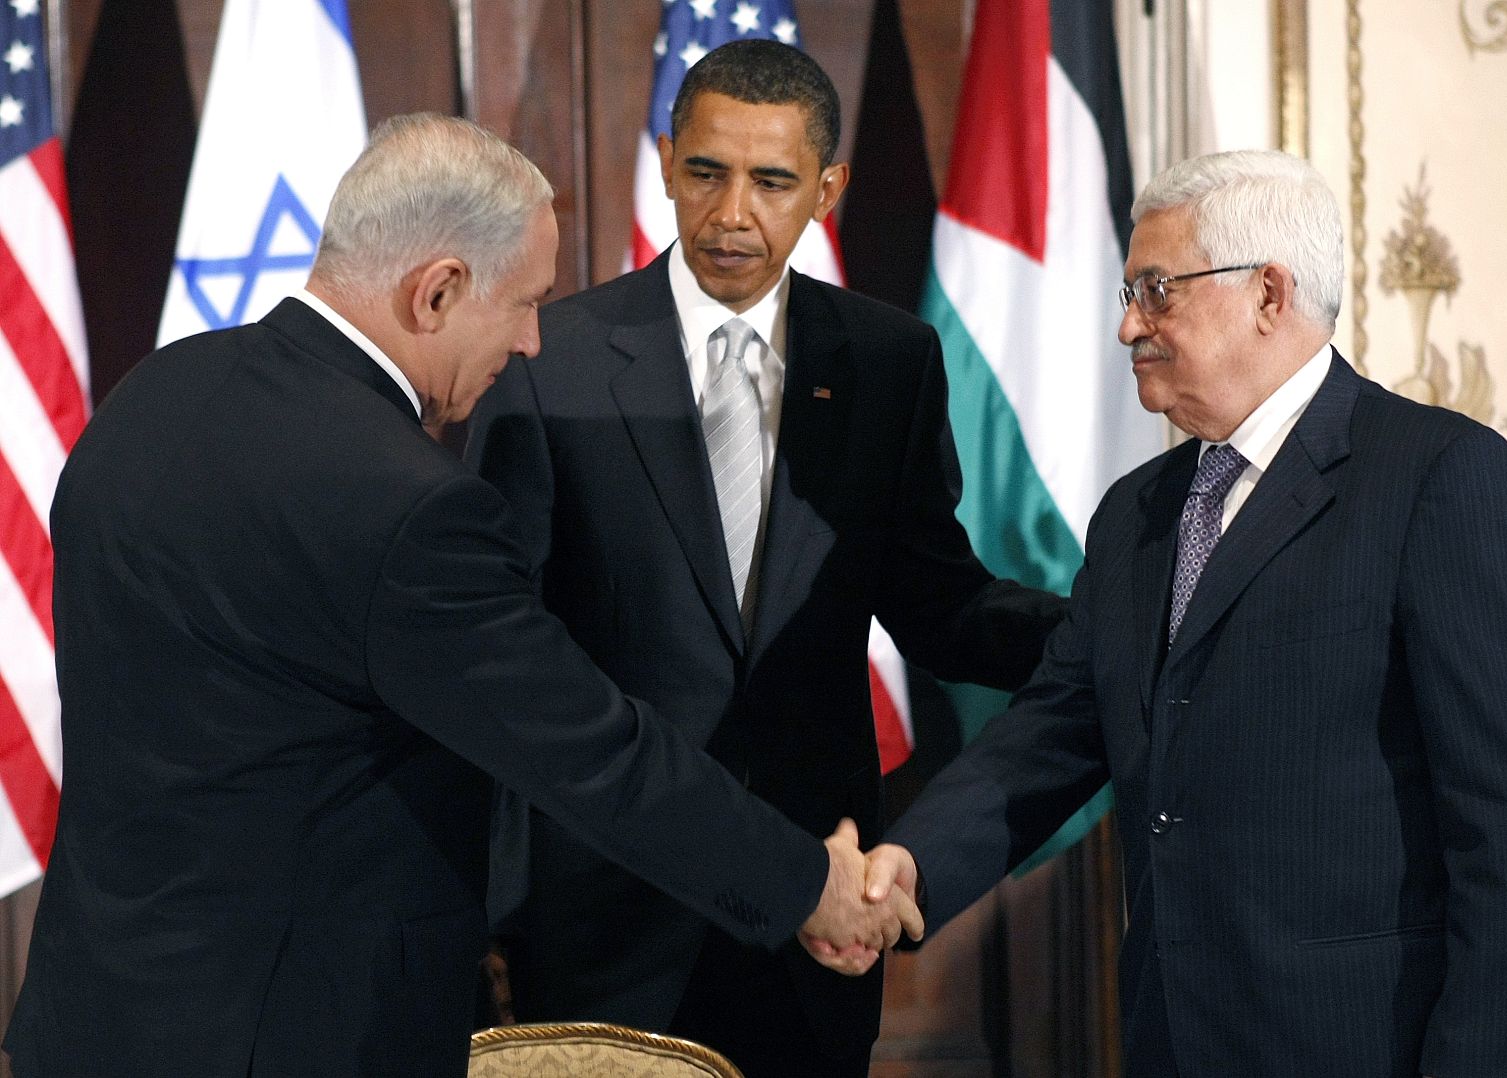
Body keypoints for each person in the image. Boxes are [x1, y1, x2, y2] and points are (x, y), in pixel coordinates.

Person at [3, 113, 920, 1078]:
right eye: (524, 303)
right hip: (293, 1039)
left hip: (89, 1024)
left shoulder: (149, 397)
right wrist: (806, 883)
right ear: (436, 290)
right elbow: (591, 752)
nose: (531, 341)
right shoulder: (408, 508)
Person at [863, 149, 1507, 1077]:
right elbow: (1054, 731)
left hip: (1372, 1048)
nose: (1128, 324)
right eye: (1129, 292)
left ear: (1269, 294)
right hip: (1178, 1041)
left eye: (1157, 291)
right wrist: (912, 866)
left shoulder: (1438, 477)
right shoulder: (1136, 514)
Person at [466, 40, 1065, 1078]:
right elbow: (500, 656)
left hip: (812, 908)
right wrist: (503, 905)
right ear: (666, 164)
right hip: (608, 914)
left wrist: (1120, 628)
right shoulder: (548, 363)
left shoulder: (888, 363)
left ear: (826, 190)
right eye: (706, 172)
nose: (732, 213)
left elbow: (939, 605)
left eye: (772, 182)